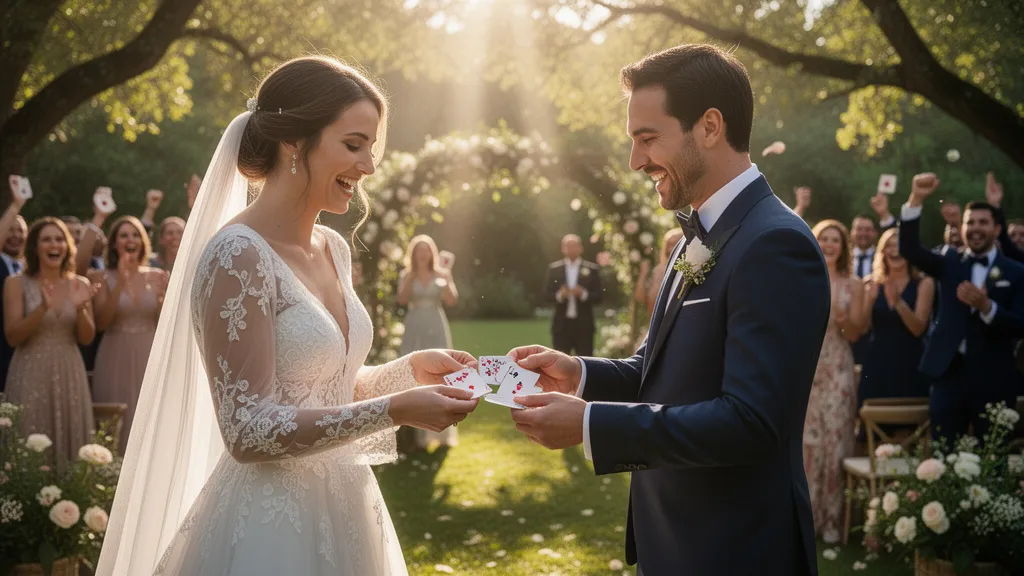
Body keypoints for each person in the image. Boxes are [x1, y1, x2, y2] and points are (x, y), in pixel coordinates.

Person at [97, 56, 480, 576]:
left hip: (347, 506)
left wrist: (409, 370)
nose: (368, 166)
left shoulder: (334, 249)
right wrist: (397, 411)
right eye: (353, 145)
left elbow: (327, 386)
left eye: (371, 148)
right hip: (270, 526)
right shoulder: (237, 255)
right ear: (293, 144)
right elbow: (247, 428)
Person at [506, 44, 828, 575]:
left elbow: (751, 422)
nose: (636, 161)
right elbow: (657, 370)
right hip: (671, 542)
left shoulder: (775, 244)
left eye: (647, 138)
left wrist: (592, 426)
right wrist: (579, 373)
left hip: (735, 549)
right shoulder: (692, 239)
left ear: (709, 127)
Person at [898, 173, 1024, 447]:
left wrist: (988, 307)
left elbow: (1020, 324)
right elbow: (908, 248)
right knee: (944, 457)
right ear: (962, 227)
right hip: (948, 376)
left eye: (983, 223)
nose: (976, 228)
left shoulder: (1016, 272)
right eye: (970, 223)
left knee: (993, 462)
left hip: (995, 380)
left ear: (997, 229)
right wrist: (916, 199)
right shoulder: (949, 262)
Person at [3, 218, 96, 470]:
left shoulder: (80, 284)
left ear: (67, 246)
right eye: (46, 239)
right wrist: (42, 308)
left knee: (70, 446)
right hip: (30, 370)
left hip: (69, 371)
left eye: (59, 239)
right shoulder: (15, 283)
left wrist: (80, 309)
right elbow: (13, 336)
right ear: (35, 247)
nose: (54, 245)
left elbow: (87, 338)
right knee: (28, 443)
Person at [89, 216, 169, 452]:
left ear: (143, 242)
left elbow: (163, 322)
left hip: (149, 351)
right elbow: (102, 322)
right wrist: (120, 283)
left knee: (151, 415)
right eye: (123, 235)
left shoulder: (156, 276)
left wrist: (164, 298)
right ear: (114, 243)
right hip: (115, 353)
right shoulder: (100, 277)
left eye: (135, 235)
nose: (130, 239)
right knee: (116, 419)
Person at [805, 220, 862, 543]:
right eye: (823, 238)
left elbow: (856, 332)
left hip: (839, 366)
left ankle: (832, 521)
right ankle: (807, 516)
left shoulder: (854, 284)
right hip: (810, 367)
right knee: (809, 441)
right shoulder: (804, 279)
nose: (828, 244)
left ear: (843, 247)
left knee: (836, 439)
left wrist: (842, 318)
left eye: (834, 240)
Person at [397, 234, 459, 449]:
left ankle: (443, 435)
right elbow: (402, 300)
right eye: (418, 250)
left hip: (436, 323)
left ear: (431, 253)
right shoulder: (407, 274)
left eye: (426, 250)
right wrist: (409, 279)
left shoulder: (440, 274)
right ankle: (416, 436)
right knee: (414, 375)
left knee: (441, 374)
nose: (422, 254)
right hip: (415, 325)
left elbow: (451, 300)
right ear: (413, 254)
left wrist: (448, 278)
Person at [858, 228, 933, 403]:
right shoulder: (871, 283)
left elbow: (918, 329)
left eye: (899, 246)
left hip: (910, 361)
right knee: (874, 422)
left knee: (910, 423)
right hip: (877, 362)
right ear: (882, 252)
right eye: (889, 246)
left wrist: (898, 303)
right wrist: (869, 300)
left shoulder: (924, 283)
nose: (894, 250)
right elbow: (862, 329)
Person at [544, 234, 603, 356]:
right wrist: (560, 295)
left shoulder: (592, 269)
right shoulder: (554, 269)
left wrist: (583, 294)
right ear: (563, 248)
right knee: (559, 363)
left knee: (586, 362)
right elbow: (546, 295)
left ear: (581, 248)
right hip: (562, 326)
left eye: (574, 246)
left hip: (584, 326)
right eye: (568, 246)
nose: (571, 249)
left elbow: (599, 297)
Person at [634, 229, 684, 347]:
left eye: (676, 243)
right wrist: (643, 274)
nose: (671, 248)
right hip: (654, 328)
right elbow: (640, 297)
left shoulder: (689, 269)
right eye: (669, 244)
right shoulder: (656, 271)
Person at [0, 188, 28, 392]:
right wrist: (16, 205)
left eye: (21, 231)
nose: (16, 235)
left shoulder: (29, 268)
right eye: (11, 229)